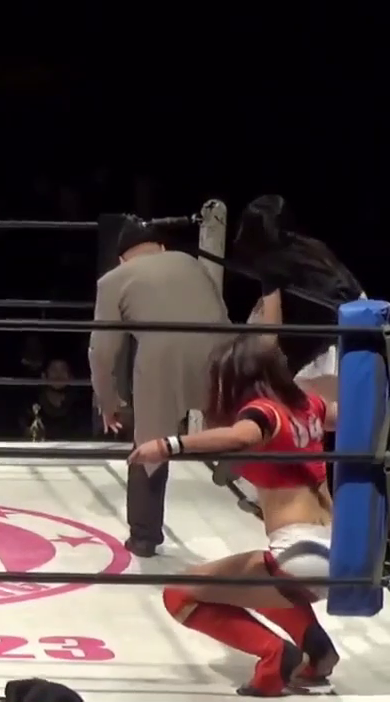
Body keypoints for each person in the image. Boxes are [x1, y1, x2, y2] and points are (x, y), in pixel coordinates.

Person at [132, 335, 338, 696]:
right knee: (253, 575)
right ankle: (317, 650)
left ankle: (274, 656)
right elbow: (352, 416)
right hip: (338, 550)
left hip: (299, 555)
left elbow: (241, 436)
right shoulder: (311, 407)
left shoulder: (263, 412)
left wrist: (168, 445)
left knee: (179, 592)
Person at [88, 216, 229, 557]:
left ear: (122, 258)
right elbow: (218, 309)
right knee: (231, 421)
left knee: (149, 446)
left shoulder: (113, 280)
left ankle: (144, 537)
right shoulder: (190, 262)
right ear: (162, 247)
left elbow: (102, 351)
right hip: (223, 347)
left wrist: (108, 403)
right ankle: (237, 461)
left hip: (162, 356)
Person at [236, 194, 363, 401]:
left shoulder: (271, 264)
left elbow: (270, 335)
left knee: (292, 401)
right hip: (362, 324)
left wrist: (250, 368)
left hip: (336, 340)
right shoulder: (314, 248)